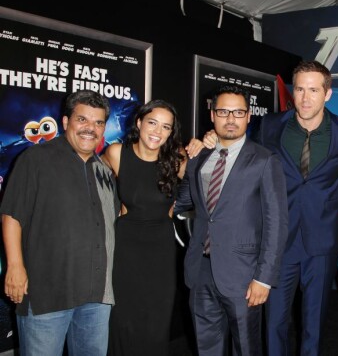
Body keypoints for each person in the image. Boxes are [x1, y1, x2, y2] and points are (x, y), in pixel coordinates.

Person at [194, 61, 338, 355]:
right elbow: (241, 155)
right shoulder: (269, 126)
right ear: (291, 92)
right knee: (274, 323)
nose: (305, 98)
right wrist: (212, 140)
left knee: (315, 324)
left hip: (322, 242)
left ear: (327, 94)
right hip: (278, 242)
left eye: (313, 90)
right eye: (299, 89)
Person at [1, 90, 118, 356]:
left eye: (99, 123)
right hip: (46, 293)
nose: (91, 128)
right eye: (83, 120)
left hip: (96, 296)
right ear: (66, 122)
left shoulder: (103, 170)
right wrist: (15, 267)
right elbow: (11, 214)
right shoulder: (36, 159)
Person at [175, 85, 288, 355]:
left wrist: (263, 278)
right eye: (224, 111)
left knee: (246, 348)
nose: (231, 118)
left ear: (249, 116)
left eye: (238, 112)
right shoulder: (200, 158)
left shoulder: (264, 160)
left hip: (244, 274)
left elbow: (277, 223)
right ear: (212, 115)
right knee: (206, 347)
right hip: (201, 271)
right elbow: (183, 201)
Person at [102, 100, 185, 355]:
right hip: (125, 250)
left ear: (171, 132)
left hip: (160, 251)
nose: (157, 131)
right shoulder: (116, 153)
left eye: (166, 127)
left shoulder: (178, 161)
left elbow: (171, 208)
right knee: (123, 322)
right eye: (152, 122)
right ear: (139, 123)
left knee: (156, 324)